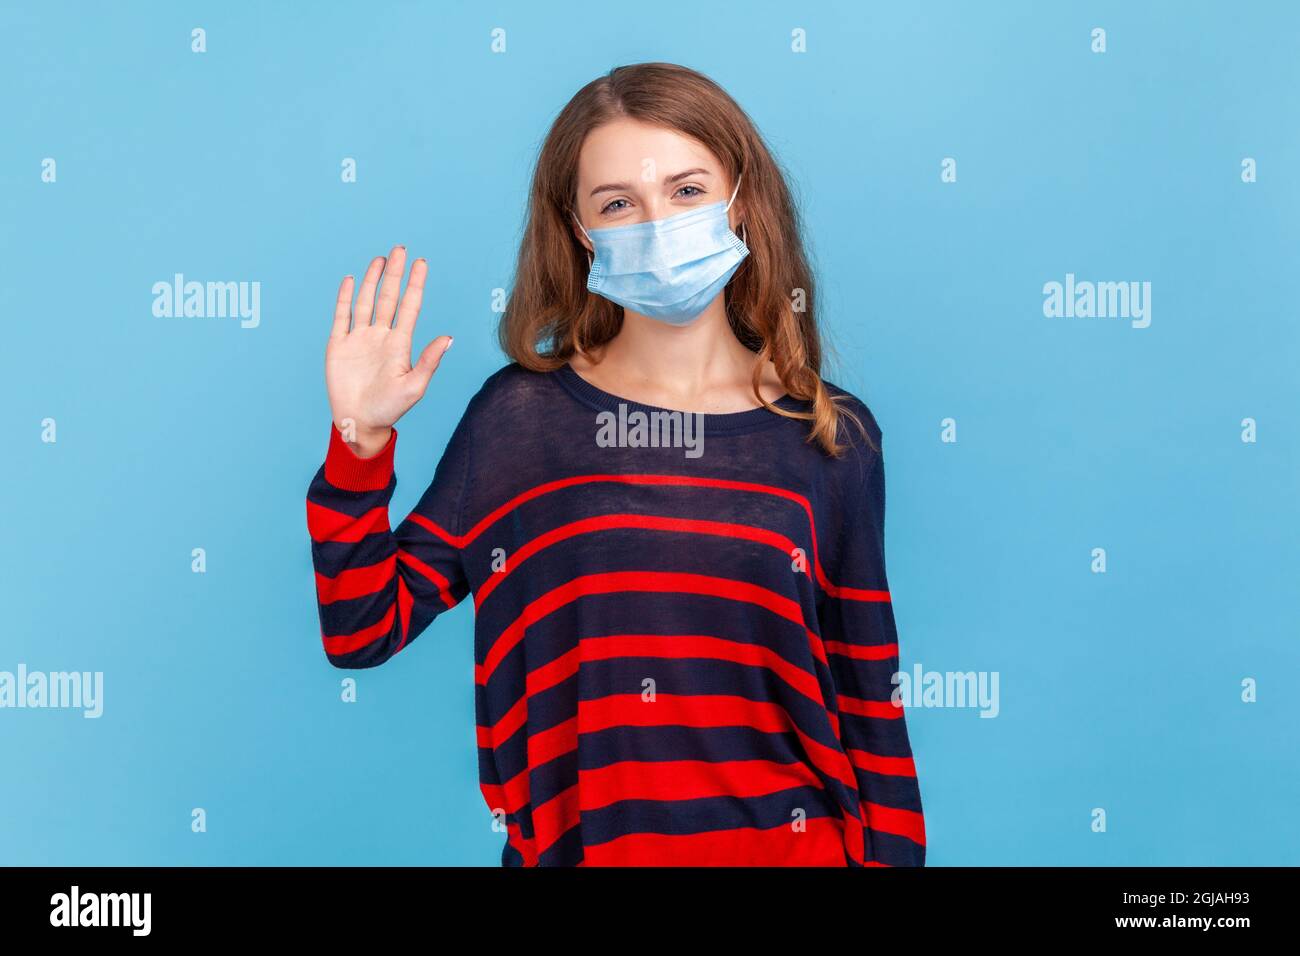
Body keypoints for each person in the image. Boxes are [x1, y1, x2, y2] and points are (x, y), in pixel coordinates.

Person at [306, 62, 926, 866]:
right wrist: (359, 443)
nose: (657, 221)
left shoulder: (830, 435)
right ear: (578, 225)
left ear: (743, 199)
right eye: (619, 203)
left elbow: (868, 695)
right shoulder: (520, 422)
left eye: (687, 190)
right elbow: (363, 628)